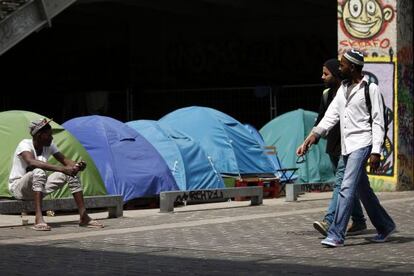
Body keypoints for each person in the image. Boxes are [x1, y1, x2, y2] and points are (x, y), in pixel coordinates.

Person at [297, 49, 396, 247]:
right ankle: (385, 225)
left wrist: (376, 150)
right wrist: (313, 136)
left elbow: (378, 121)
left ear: (352, 67)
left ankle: (336, 234)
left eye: (342, 64)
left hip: (363, 143)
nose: (339, 67)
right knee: (363, 190)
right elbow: (331, 116)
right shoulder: (342, 89)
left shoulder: (371, 89)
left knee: (346, 186)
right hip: (346, 146)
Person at [8, 118, 104, 231]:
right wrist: (62, 169)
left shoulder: (49, 145)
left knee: (71, 173)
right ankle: (38, 218)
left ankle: (84, 217)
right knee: (39, 170)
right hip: (19, 189)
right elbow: (31, 161)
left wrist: (77, 166)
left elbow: (65, 161)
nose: (51, 137)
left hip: (38, 188)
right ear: (39, 135)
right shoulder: (25, 144)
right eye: (48, 135)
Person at [310, 59, 367, 237]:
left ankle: (330, 221)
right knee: (355, 186)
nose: (322, 77)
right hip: (333, 146)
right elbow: (322, 119)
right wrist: (311, 138)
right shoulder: (328, 94)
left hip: (351, 146)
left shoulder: (351, 91)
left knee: (341, 183)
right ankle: (359, 221)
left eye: (326, 73)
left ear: (336, 73)